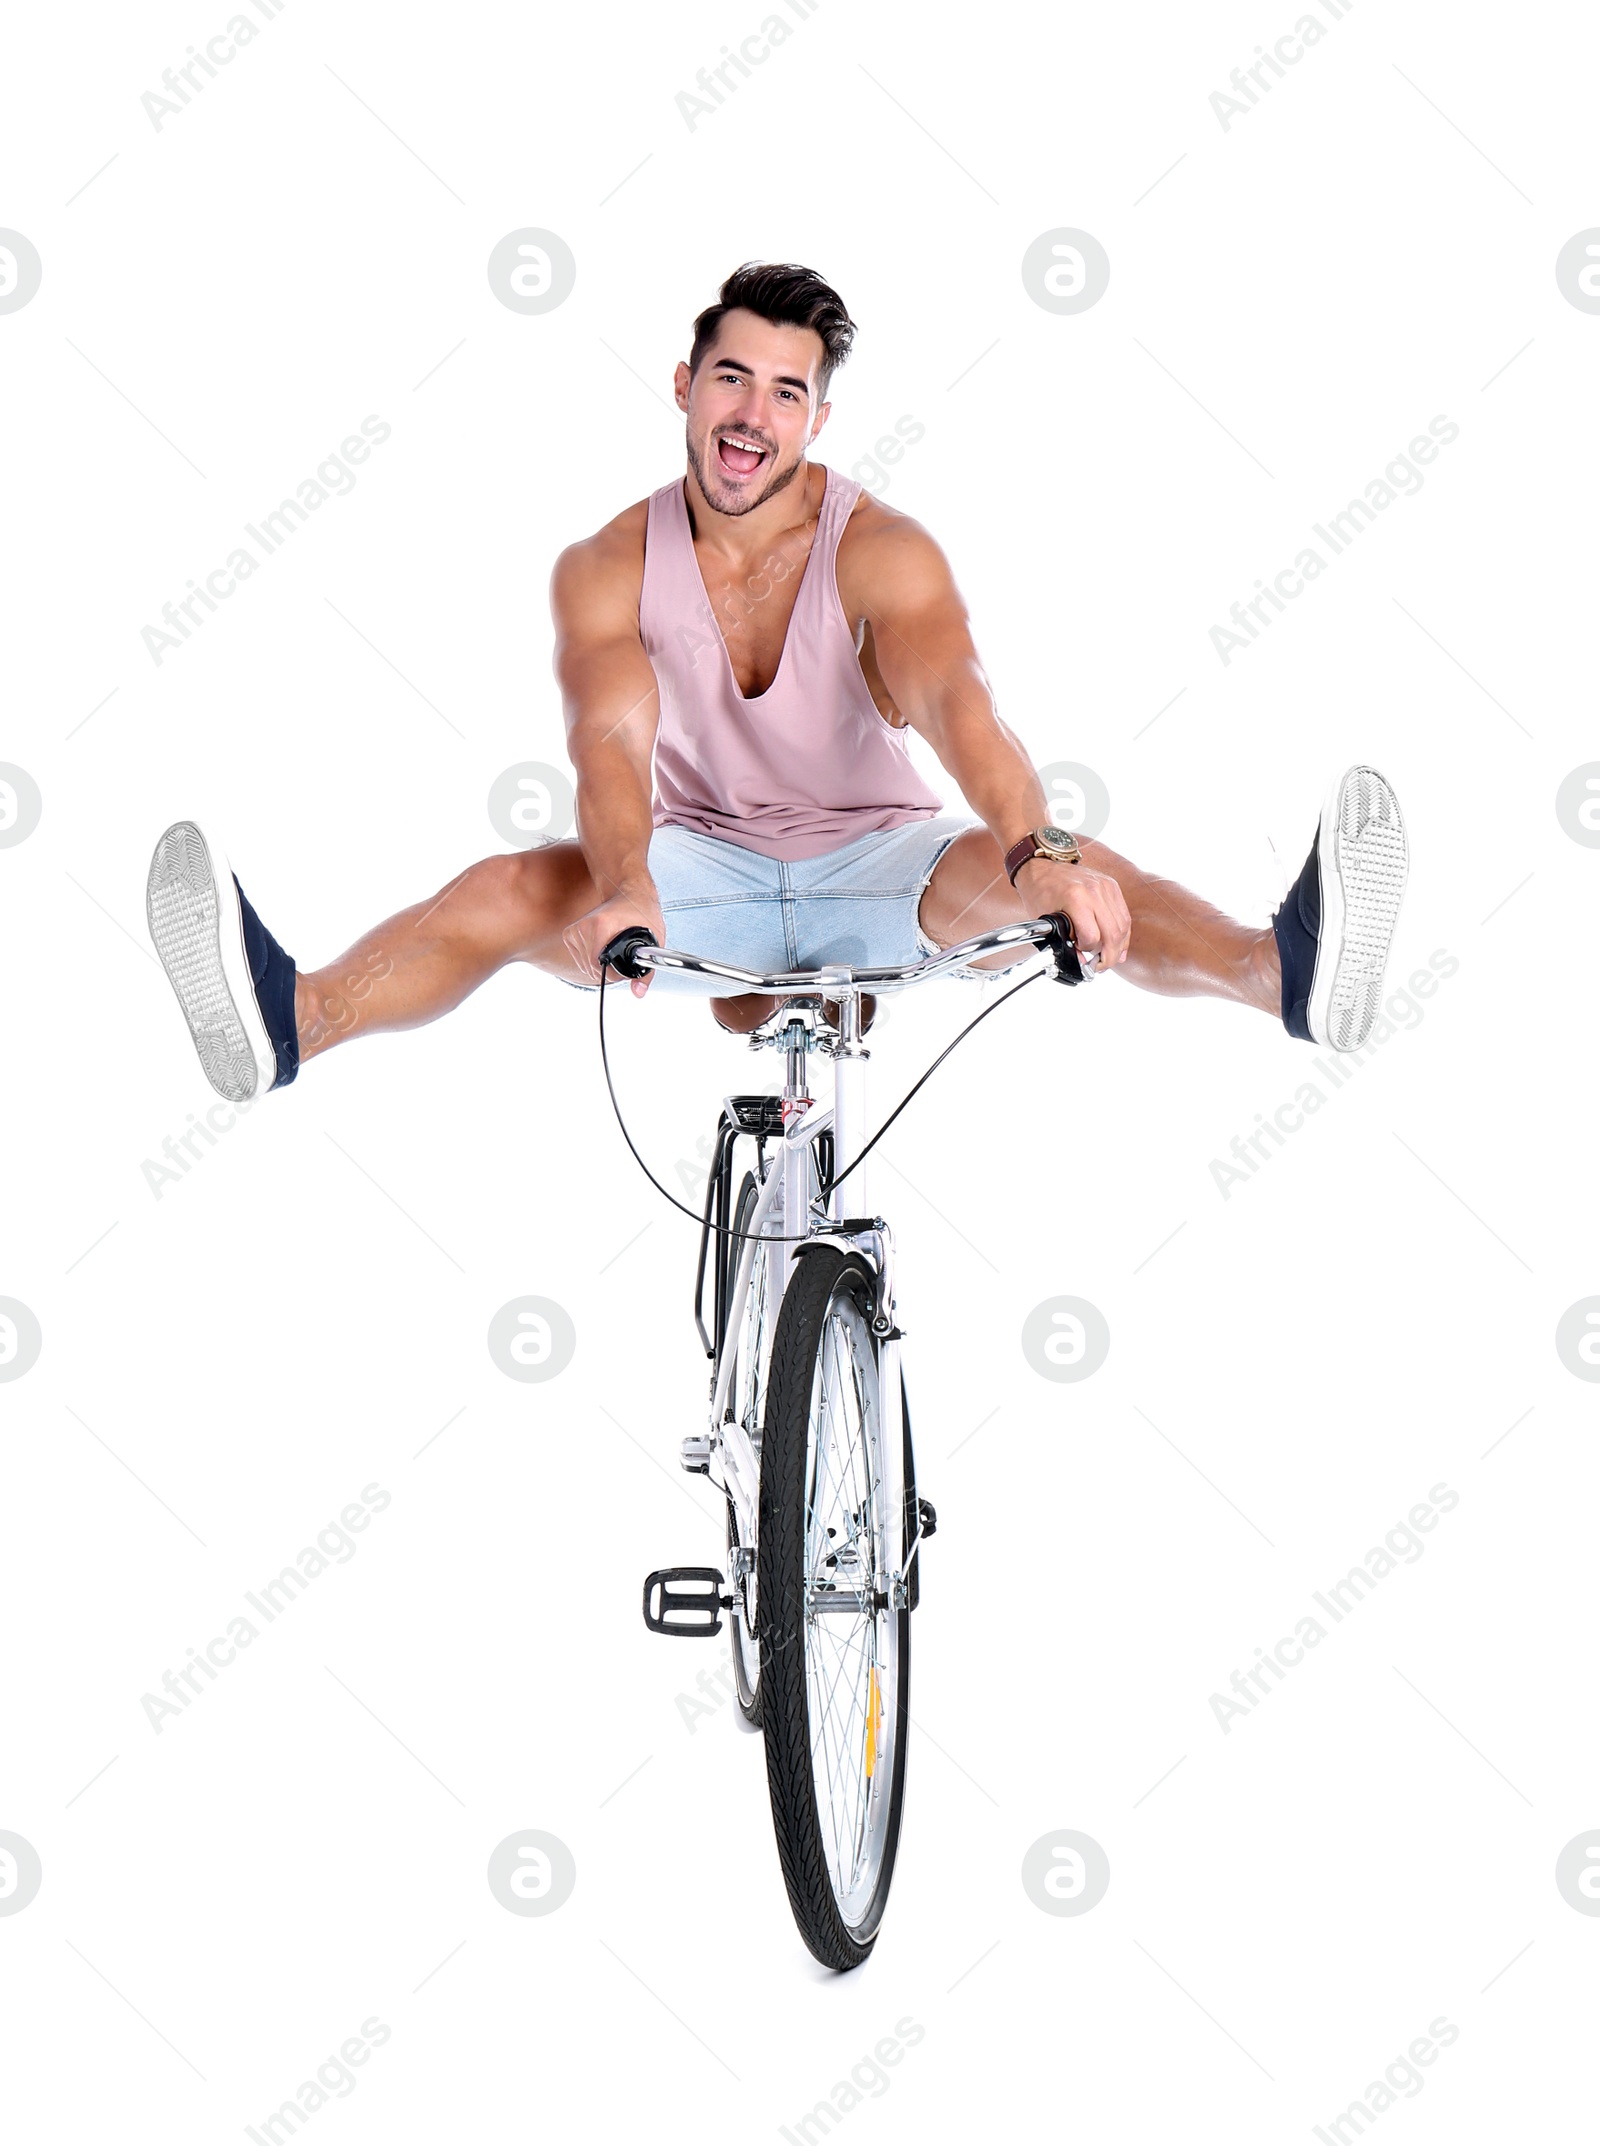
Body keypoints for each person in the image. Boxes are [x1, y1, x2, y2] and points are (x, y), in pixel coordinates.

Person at [146, 261, 1407, 1100]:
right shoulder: (602, 566)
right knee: (511, 884)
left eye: (787, 392)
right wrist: (630, 886)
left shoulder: (879, 549)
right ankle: (291, 1023)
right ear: (686, 386)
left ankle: (1275, 974)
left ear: (815, 420)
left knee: (1071, 868)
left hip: (880, 870)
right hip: (701, 874)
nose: (753, 413)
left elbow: (961, 706)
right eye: (732, 378)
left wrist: (1042, 846)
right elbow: (607, 745)